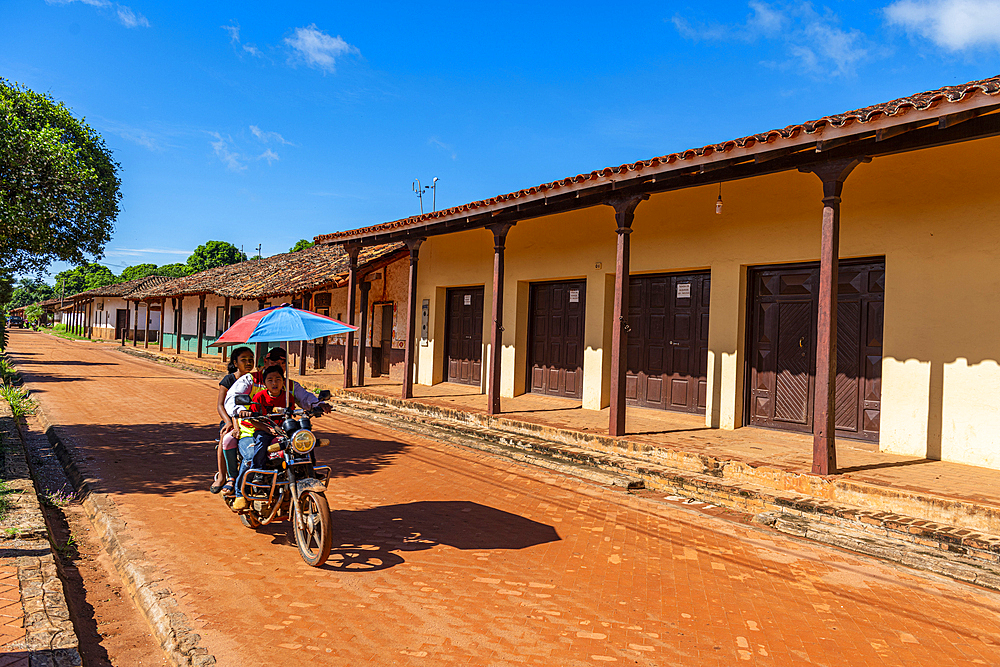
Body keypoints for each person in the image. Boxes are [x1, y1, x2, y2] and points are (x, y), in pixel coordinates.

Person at [224, 347, 330, 510]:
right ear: (265, 363)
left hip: (281, 431)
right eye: (274, 362)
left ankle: (308, 472)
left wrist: (318, 404)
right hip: (251, 430)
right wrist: (240, 411)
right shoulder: (250, 380)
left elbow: (305, 397)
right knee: (252, 455)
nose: (279, 366)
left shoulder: (289, 385)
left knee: (301, 442)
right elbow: (232, 399)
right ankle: (241, 492)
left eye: (282, 363)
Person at [212, 346, 255, 495]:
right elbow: (220, 405)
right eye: (243, 360)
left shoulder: (255, 379)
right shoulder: (229, 380)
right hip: (230, 419)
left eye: (251, 360)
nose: (248, 363)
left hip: (251, 420)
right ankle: (223, 476)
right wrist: (229, 421)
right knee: (225, 437)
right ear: (235, 363)